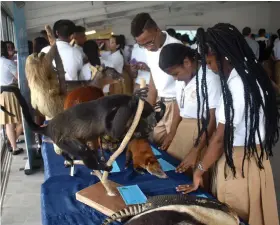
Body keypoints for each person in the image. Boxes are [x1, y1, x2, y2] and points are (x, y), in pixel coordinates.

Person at [176, 24, 279, 225]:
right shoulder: (249, 73)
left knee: (233, 214)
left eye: (209, 61)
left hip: (240, 162)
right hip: (249, 158)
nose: (209, 67)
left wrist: (199, 170)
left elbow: (220, 138)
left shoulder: (237, 84)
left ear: (223, 56)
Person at [158, 43, 221, 166]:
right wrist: (172, 133)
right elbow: (178, 106)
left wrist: (196, 150)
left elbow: (212, 117)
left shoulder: (210, 78)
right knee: (173, 165)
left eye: (176, 74)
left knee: (191, 171)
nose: (175, 79)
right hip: (182, 128)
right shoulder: (181, 80)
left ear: (187, 63)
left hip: (201, 132)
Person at [131, 12, 181, 148]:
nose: (148, 47)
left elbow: (183, 90)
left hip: (177, 104)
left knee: (173, 146)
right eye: (142, 45)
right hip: (161, 102)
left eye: (149, 42)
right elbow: (154, 78)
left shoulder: (176, 49)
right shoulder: (149, 49)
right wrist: (147, 108)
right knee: (157, 140)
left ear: (157, 30)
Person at [0, 41, 24, 155]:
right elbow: (19, 78)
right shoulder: (7, 62)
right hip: (11, 93)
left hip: (2, 94)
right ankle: (12, 142)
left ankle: (14, 146)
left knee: (9, 123)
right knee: (22, 121)